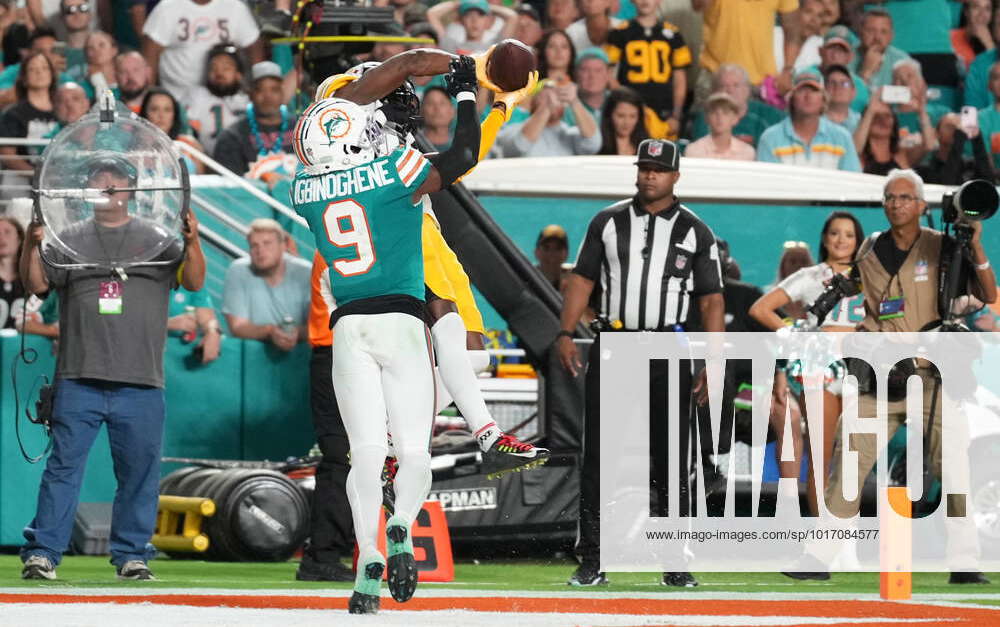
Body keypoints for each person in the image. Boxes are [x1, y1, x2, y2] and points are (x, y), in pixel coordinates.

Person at [290, 53, 483, 615]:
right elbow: (464, 155)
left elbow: (323, 138)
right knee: (413, 452)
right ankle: (400, 523)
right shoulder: (396, 167)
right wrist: (466, 96)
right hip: (400, 321)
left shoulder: (304, 191)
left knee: (365, 456)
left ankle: (368, 561)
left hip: (348, 329)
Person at [786, 169, 996, 584]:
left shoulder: (944, 247)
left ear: (921, 205)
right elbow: (852, 285)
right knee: (849, 462)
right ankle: (818, 556)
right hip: (880, 376)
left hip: (930, 375)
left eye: (904, 197)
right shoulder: (870, 247)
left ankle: (965, 562)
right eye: (890, 198)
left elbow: (987, 293)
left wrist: (975, 244)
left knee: (954, 465)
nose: (896, 204)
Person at [18, 156, 206, 581]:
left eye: (116, 177)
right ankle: (43, 551)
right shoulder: (67, 239)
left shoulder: (157, 238)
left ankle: (131, 555)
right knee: (63, 468)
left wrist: (193, 242)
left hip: (141, 382)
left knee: (139, 473)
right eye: (99, 177)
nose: (107, 183)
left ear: (133, 189)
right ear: (87, 188)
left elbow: (194, 283)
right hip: (78, 377)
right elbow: (35, 284)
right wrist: (32, 242)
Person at [557, 138, 725, 588]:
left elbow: (712, 301)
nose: (650, 174)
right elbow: (582, 279)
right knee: (600, 457)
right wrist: (566, 331)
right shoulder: (607, 222)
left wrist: (714, 359)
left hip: (669, 347)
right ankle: (592, 558)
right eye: (645, 167)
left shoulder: (695, 231)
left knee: (673, 459)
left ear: (675, 176)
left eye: (659, 168)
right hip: (615, 344)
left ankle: (675, 559)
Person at [749, 212, 865, 517]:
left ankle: (845, 541)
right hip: (823, 368)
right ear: (825, 238)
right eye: (835, 233)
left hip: (862, 369)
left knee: (853, 459)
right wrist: (796, 334)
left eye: (849, 234)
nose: (841, 240)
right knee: (822, 457)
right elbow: (761, 309)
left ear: (858, 240)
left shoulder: (871, 276)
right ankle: (821, 539)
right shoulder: (810, 276)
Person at [295, 252, 355, 583]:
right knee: (341, 455)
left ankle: (348, 549)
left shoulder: (330, 241)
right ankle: (323, 554)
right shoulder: (336, 246)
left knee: (357, 455)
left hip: (354, 350)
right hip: (338, 351)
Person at [142, 0, 263, 101]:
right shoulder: (168, 7)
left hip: (228, 98)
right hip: (177, 101)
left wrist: (257, 87)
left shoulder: (234, 7)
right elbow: (150, 56)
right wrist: (149, 97)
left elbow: (254, 47)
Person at [222, 218, 310, 352]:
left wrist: (293, 333)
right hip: (253, 355)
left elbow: (319, 325)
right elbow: (237, 326)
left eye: (267, 243)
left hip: (303, 356)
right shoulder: (238, 270)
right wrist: (270, 331)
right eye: (254, 245)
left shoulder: (306, 271)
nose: (260, 250)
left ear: (283, 246)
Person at [606, 0, 690, 139]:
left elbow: (680, 80)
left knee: (662, 156)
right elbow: (607, 74)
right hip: (631, 112)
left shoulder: (674, 34)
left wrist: (676, 115)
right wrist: (625, 102)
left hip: (664, 111)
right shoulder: (621, 31)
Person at [692, 0, 802, 101]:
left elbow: (792, 30)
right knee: (704, 122)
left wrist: (788, 70)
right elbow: (697, 5)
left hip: (760, 84)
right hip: (716, 77)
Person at [757, 69, 861, 171]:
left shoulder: (842, 137)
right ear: (791, 98)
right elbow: (769, 185)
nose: (808, 96)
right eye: (801, 90)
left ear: (823, 99)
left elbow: (853, 182)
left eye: (814, 90)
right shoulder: (770, 138)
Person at [212, 61, 296, 181]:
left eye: (274, 89)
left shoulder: (302, 128)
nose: (268, 96)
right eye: (260, 90)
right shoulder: (231, 137)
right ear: (250, 94)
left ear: (282, 92)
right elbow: (230, 188)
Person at [496, 80, 600, 157]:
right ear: (533, 102)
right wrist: (546, 108)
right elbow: (519, 145)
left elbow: (593, 144)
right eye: (544, 97)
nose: (552, 99)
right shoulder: (512, 128)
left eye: (556, 96)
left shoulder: (570, 133)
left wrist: (575, 101)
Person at [690, 64, 784, 148]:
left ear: (747, 90)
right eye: (724, 86)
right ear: (714, 91)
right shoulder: (705, 118)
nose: (730, 91)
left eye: (736, 85)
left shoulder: (770, 115)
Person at [0, 51, 58, 178]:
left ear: (51, 74)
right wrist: (37, 175)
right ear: (24, 78)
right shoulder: (12, 113)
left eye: (44, 67)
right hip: (21, 184)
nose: (39, 72)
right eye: (32, 69)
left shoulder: (63, 110)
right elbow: (7, 155)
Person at [183, 43, 248, 155]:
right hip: (206, 161)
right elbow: (187, 132)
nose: (219, 73)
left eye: (226, 68)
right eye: (213, 67)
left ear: (239, 74)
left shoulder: (249, 99)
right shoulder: (198, 96)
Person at [139, 87, 205, 174]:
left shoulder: (190, 146)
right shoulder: (133, 146)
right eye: (154, 109)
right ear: (145, 114)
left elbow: (202, 183)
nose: (161, 115)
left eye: (167, 110)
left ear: (174, 115)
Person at [916, 112, 994, 185]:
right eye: (950, 127)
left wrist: (977, 139)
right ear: (937, 133)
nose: (955, 131)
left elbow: (988, 183)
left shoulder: (969, 165)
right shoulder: (926, 168)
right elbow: (946, 184)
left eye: (959, 127)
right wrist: (959, 139)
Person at [849, 9, 911, 90]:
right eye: (871, 31)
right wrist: (866, 72)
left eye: (883, 32)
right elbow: (845, 99)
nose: (877, 38)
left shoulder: (902, 59)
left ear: (891, 36)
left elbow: (915, 95)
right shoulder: (847, 57)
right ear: (860, 33)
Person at [684, 91, 755, 161]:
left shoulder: (747, 153)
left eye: (725, 112)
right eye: (714, 112)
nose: (719, 117)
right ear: (706, 118)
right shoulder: (694, 151)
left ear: (735, 119)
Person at [427, 0, 516, 55]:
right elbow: (432, 14)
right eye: (468, 15)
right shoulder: (451, 47)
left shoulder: (495, 47)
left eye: (480, 15)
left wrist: (484, 4)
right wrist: (461, 2)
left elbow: (512, 16)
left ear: (487, 20)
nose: (474, 20)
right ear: (461, 21)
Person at [853, 95, 910, 175]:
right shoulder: (858, 156)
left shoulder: (899, 156)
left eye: (887, 116)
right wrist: (870, 111)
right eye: (876, 116)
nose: (882, 121)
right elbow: (854, 150)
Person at [597, 86, 647, 155]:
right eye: (621, 116)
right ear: (609, 115)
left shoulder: (647, 149)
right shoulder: (597, 146)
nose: (627, 122)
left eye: (632, 116)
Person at [573, 47, 612, 125]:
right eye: (585, 70)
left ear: (608, 74)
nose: (592, 76)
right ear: (575, 74)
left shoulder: (619, 103)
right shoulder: (565, 108)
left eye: (598, 70)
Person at [952, 0, 993, 71]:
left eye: (987, 9)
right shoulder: (949, 37)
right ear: (966, 12)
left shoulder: (995, 43)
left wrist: (989, 44)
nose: (982, 13)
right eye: (976, 7)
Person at [822, 64, 859, 132]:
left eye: (844, 83)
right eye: (832, 83)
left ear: (853, 92)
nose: (838, 87)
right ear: (823, 90)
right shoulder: (813, 120)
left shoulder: (861, 123)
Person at [534, 223, 568, 292]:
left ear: (566, 254)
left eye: (558, 248)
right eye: (546, 248)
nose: (552, 254)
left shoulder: (574, 288)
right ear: (536, 252)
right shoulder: (524, 282)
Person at [421, 85, 455, 150]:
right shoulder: (411, 145)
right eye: (430, 103)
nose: (437, 108)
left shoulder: (462, 145)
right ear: (421, 110)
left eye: (442, 103)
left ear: (452, 111)